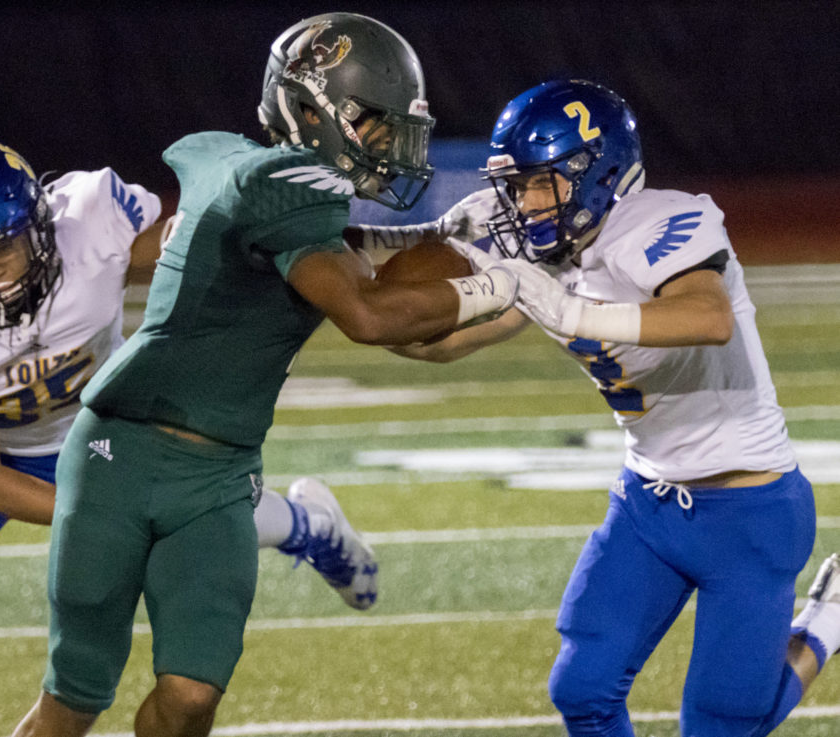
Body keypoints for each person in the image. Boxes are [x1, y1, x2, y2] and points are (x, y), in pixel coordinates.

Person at [8, 12, 519, 737]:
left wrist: (506, 286)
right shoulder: (284, 184)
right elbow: (367, 316)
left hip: (220, 475)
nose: (386, 143)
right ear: (310, 110)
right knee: (74, 698)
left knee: (192, 695)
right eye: (371, 122)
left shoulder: (258, 177)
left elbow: (402, 318)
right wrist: (497, 282)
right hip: (120, 456)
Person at [0, 135, 385, 737]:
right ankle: (306, 524)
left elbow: (191, 252)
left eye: (3, 249)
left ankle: (310, 527)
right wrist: (109, 516)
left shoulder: (92, 224)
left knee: (191, 509)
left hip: (111, 437)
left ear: (40, 226)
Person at [353, 78, 838, 736]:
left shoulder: (661, 219)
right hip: (648, 503)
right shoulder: (547, 251)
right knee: (582, 690)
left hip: (748, 509)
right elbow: (442, 345)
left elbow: (708, 316)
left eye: (540, 183)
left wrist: (568, 309)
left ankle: (826, 624)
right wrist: (363, 314)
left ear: (599, 172)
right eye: (516, 185)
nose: (525, 203)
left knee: (722, 724)